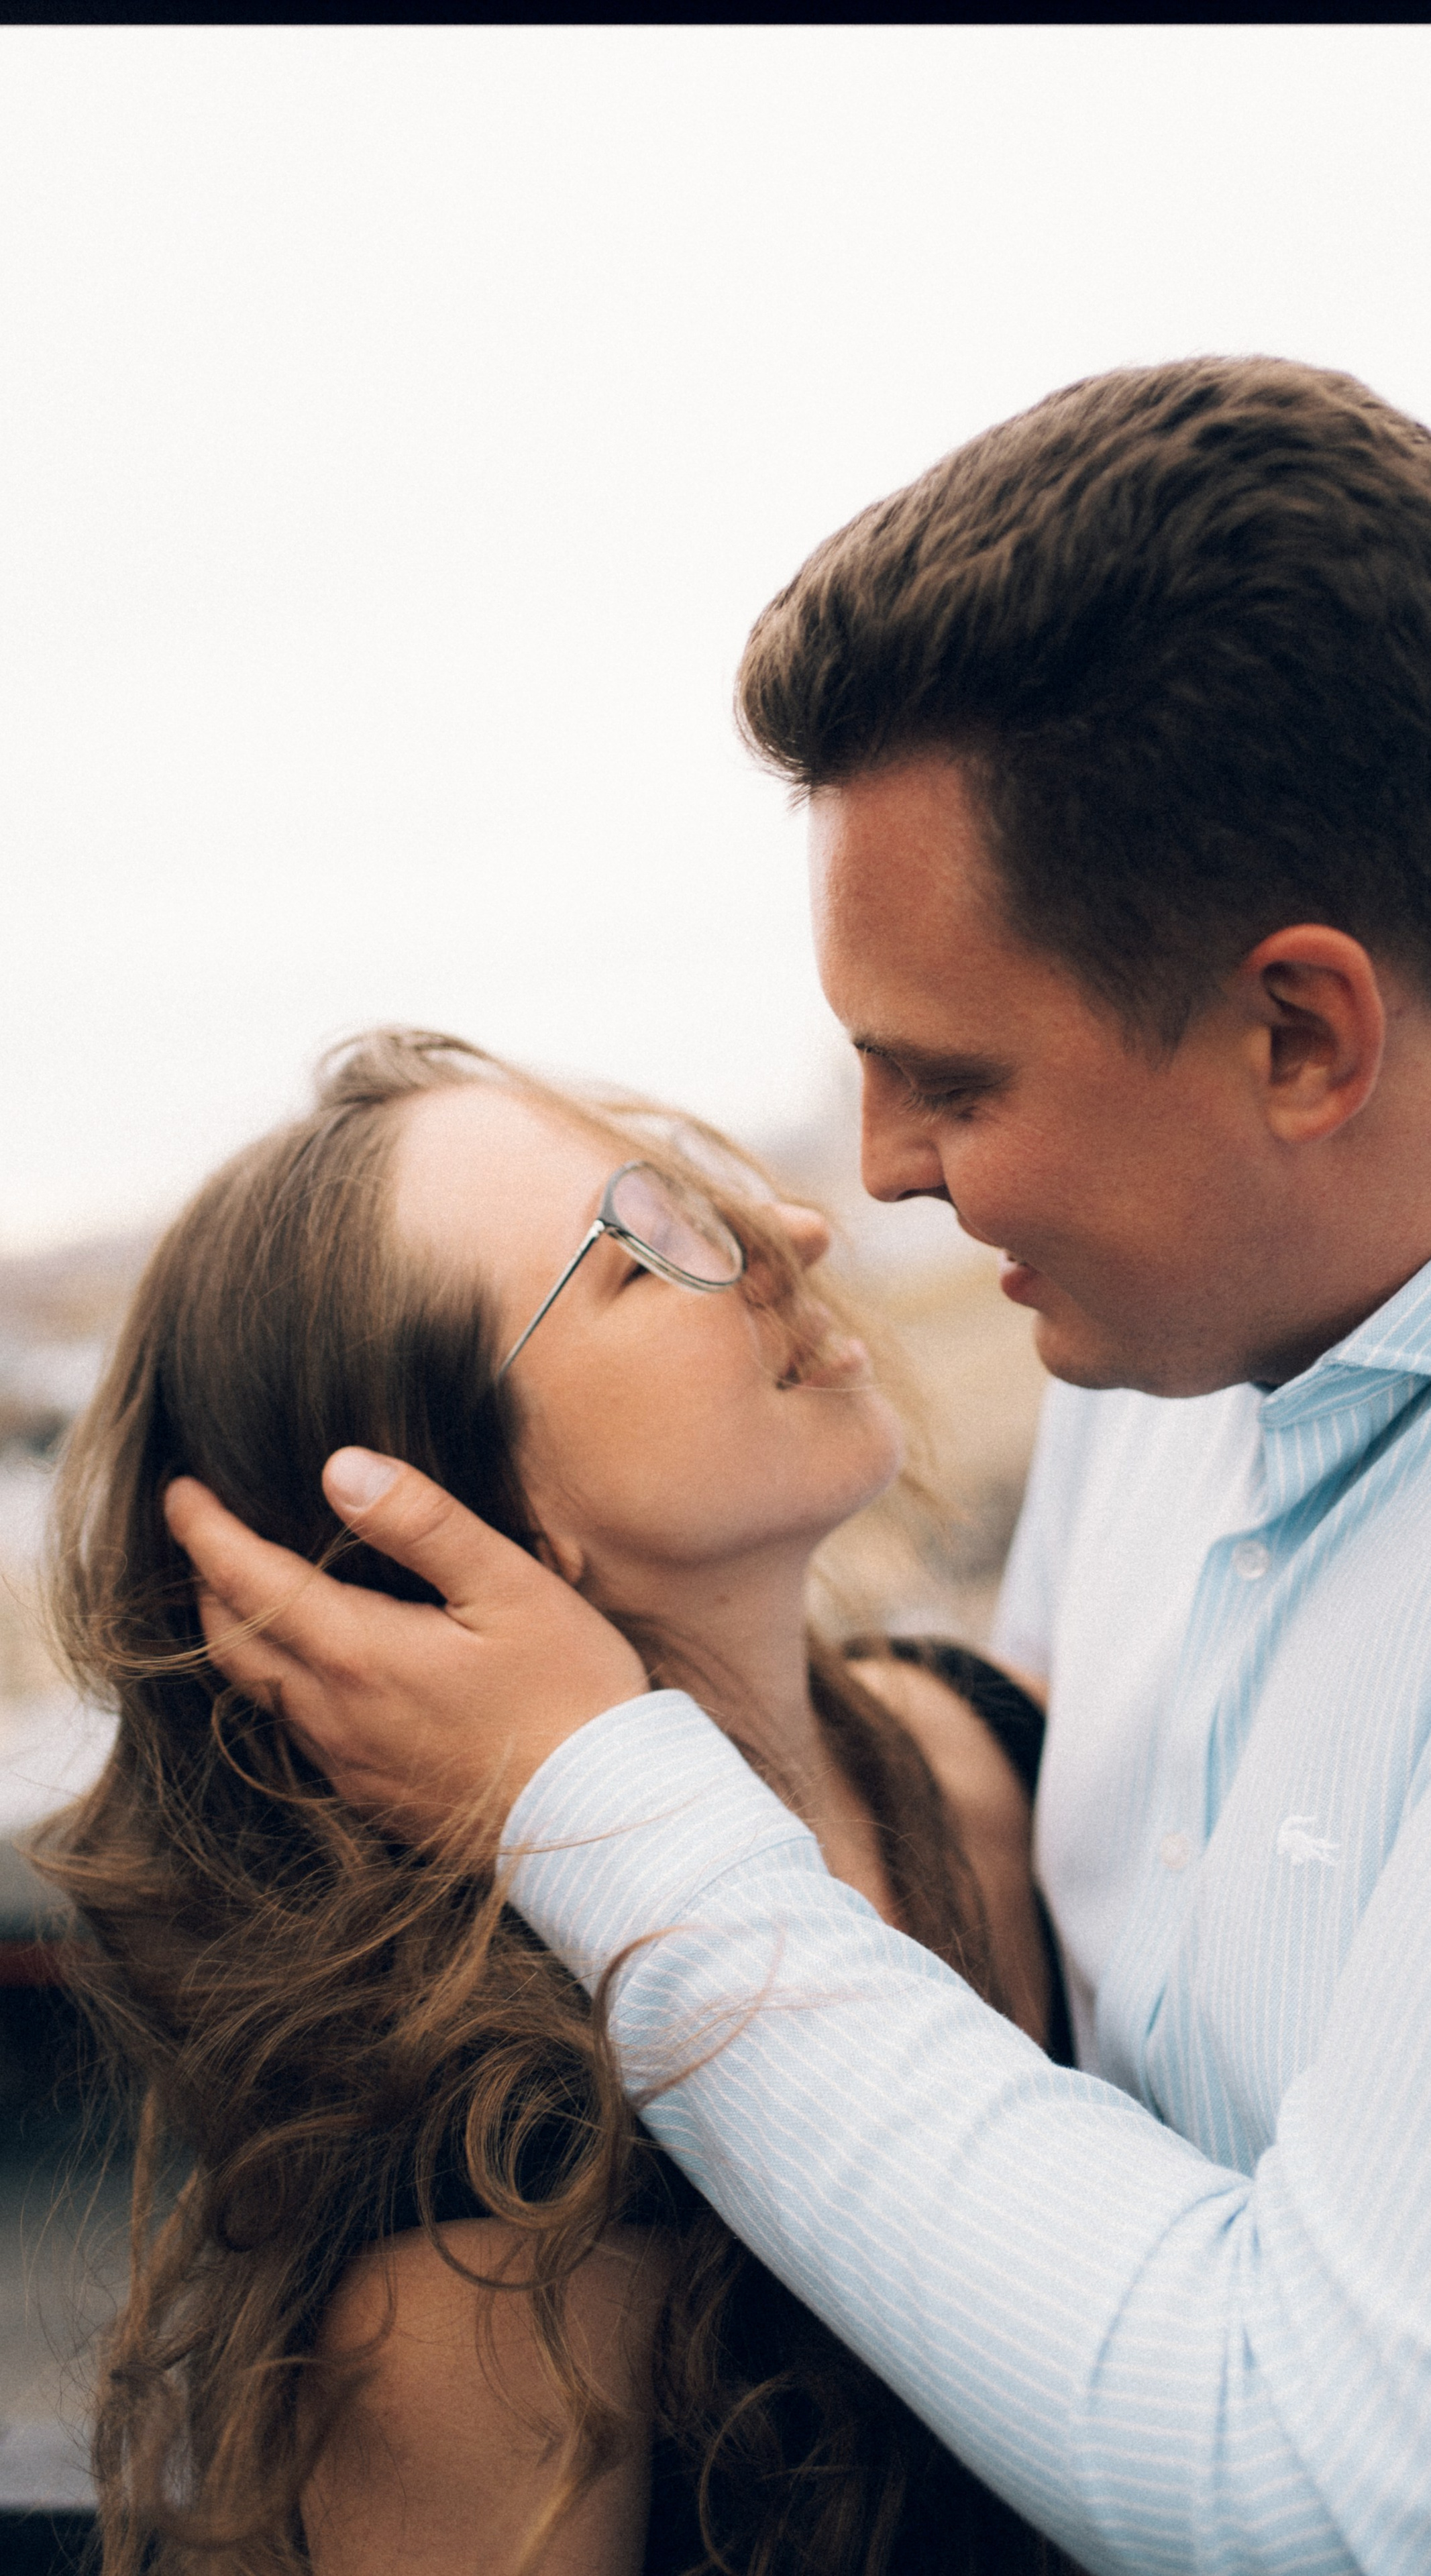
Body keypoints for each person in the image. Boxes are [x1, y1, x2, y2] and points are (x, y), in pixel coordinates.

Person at [166, 359, 1431, 2575]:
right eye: (648, 1235)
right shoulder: (1152, 1336)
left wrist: (598, 1798)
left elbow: (1344, 2492)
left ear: (1301, 1036)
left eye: (951, 1082)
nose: (860, 1184)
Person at [40, 1026, 1081, 2576]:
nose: (791, 1233)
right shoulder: (500, 2180)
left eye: (708, 1194)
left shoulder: (1000, 1750)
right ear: (465, 1513)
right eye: (641, 1244)